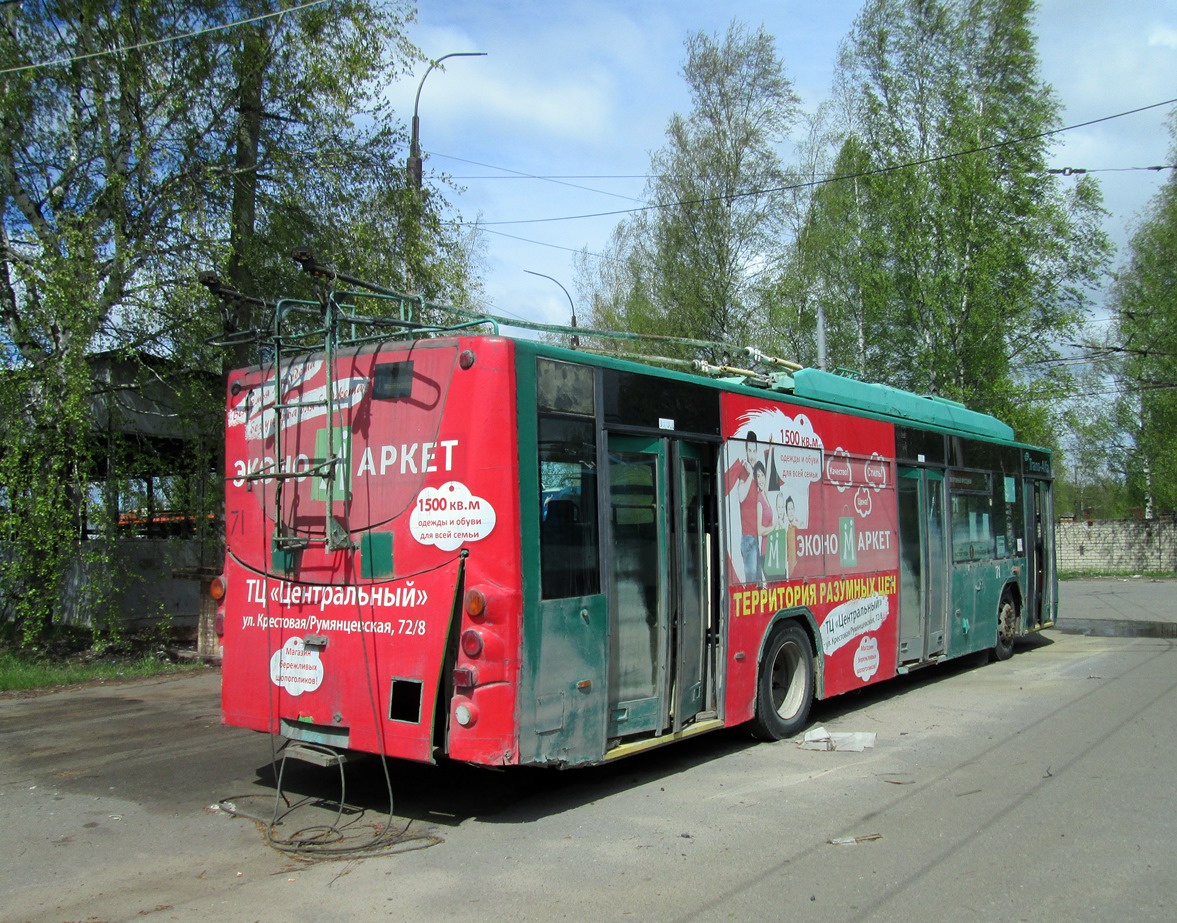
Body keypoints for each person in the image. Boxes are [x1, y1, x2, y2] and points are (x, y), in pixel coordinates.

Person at [724, 432, 762, 584]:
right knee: (752, 582)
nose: (752, 455)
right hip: (748, 539)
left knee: (758, 584)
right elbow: (741, 496)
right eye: (750, 451)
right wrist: (751, 474)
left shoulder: (756, 471)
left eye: (754, 451)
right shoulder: (744, 472)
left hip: (756, 538)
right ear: (746, 451)